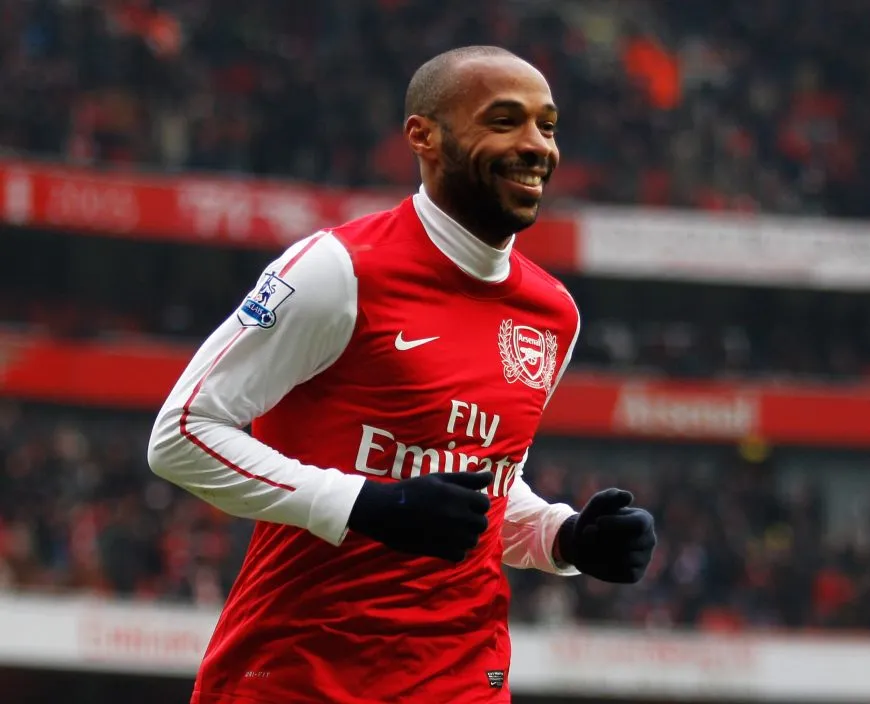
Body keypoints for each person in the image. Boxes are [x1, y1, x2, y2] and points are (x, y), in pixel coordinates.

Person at [148, 45, 656, 704]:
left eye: (547, 126)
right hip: (302, 678)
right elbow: (182, 434)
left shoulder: (553, 313)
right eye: (504, 121)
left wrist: (563, 536)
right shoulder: (338, 270)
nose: (535, 146)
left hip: (462, 679)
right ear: (424, 136)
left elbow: (480, 488)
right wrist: (364, 504)